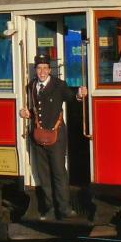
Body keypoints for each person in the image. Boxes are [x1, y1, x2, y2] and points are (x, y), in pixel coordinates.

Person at [18, 54, 88, 220]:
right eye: (39, 68)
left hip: (56, 136)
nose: (42, 71)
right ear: (36, 70)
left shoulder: (59, 85)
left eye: (45, 68)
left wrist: (79, 95)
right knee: (44, 174)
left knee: (58, 172)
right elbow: (33, 108)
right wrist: (27, 113)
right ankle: (50, 209)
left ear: (50, 70)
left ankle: (64, 208)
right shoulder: (31, 86)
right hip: (37, 136)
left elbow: (71, 99)